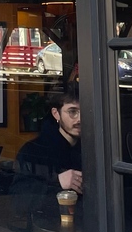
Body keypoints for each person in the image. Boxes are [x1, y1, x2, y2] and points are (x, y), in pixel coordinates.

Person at [11, 84, 83, 222]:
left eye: (84, 111)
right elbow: (18, 202)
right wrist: (58, 181)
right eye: (72, 111)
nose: (79, 119)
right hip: (45, 230)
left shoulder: (97, 147)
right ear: (56, 113)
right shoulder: (33, 151)